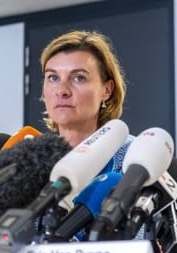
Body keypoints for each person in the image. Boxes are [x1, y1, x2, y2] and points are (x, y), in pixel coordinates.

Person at [40, 30, 131, 173]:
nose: (62, 91)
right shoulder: (35, 162)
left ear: (106, 90)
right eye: (53, 78)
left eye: (79, 78)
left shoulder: (135, 157)